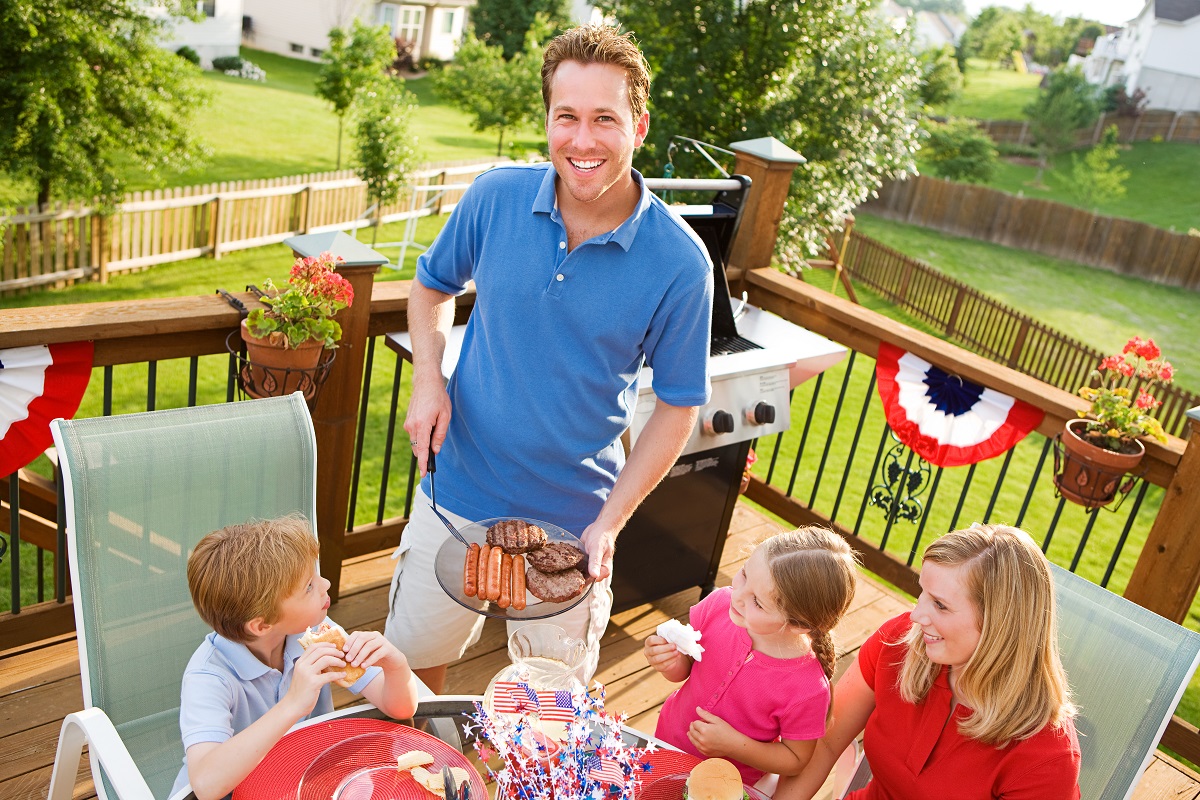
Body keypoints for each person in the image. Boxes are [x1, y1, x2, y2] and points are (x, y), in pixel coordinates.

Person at [386, 22, 714, 692]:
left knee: (549, 717)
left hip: (574, 524)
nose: (583, 140)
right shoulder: (494, 196)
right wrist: (429, 380)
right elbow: (430, 287)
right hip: (454, 494)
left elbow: (679, 408)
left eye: (605, 119)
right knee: (411, 681)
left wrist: (609, 524)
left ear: (639, 125)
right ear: (548, 120)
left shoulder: (682, 264)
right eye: (567, 117)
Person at [777, 524, 1081, 800]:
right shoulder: (899, 643)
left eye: (940, 605)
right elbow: (826, 744)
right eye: (923, 592)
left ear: (1000, 625)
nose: (917, 615)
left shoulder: (1047, 755)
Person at [172, 517, 419, 800]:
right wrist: (293, 703)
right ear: (262, 625)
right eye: (309, 587)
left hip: (308, 780)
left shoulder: (318, 635)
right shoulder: (209, 677)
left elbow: (400, 708)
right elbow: (206, 784)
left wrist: (395, 665)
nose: (325, 583)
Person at [645, 528, 859, 789]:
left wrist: (734, 745)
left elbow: (795, 759)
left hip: (726, 785)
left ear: (798, 624)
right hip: (665, 746)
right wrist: (669, 661)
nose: (737, 595)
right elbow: (686, 669)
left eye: (757, 602)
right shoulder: (718, 605)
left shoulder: (807, 688)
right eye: (744, 574)